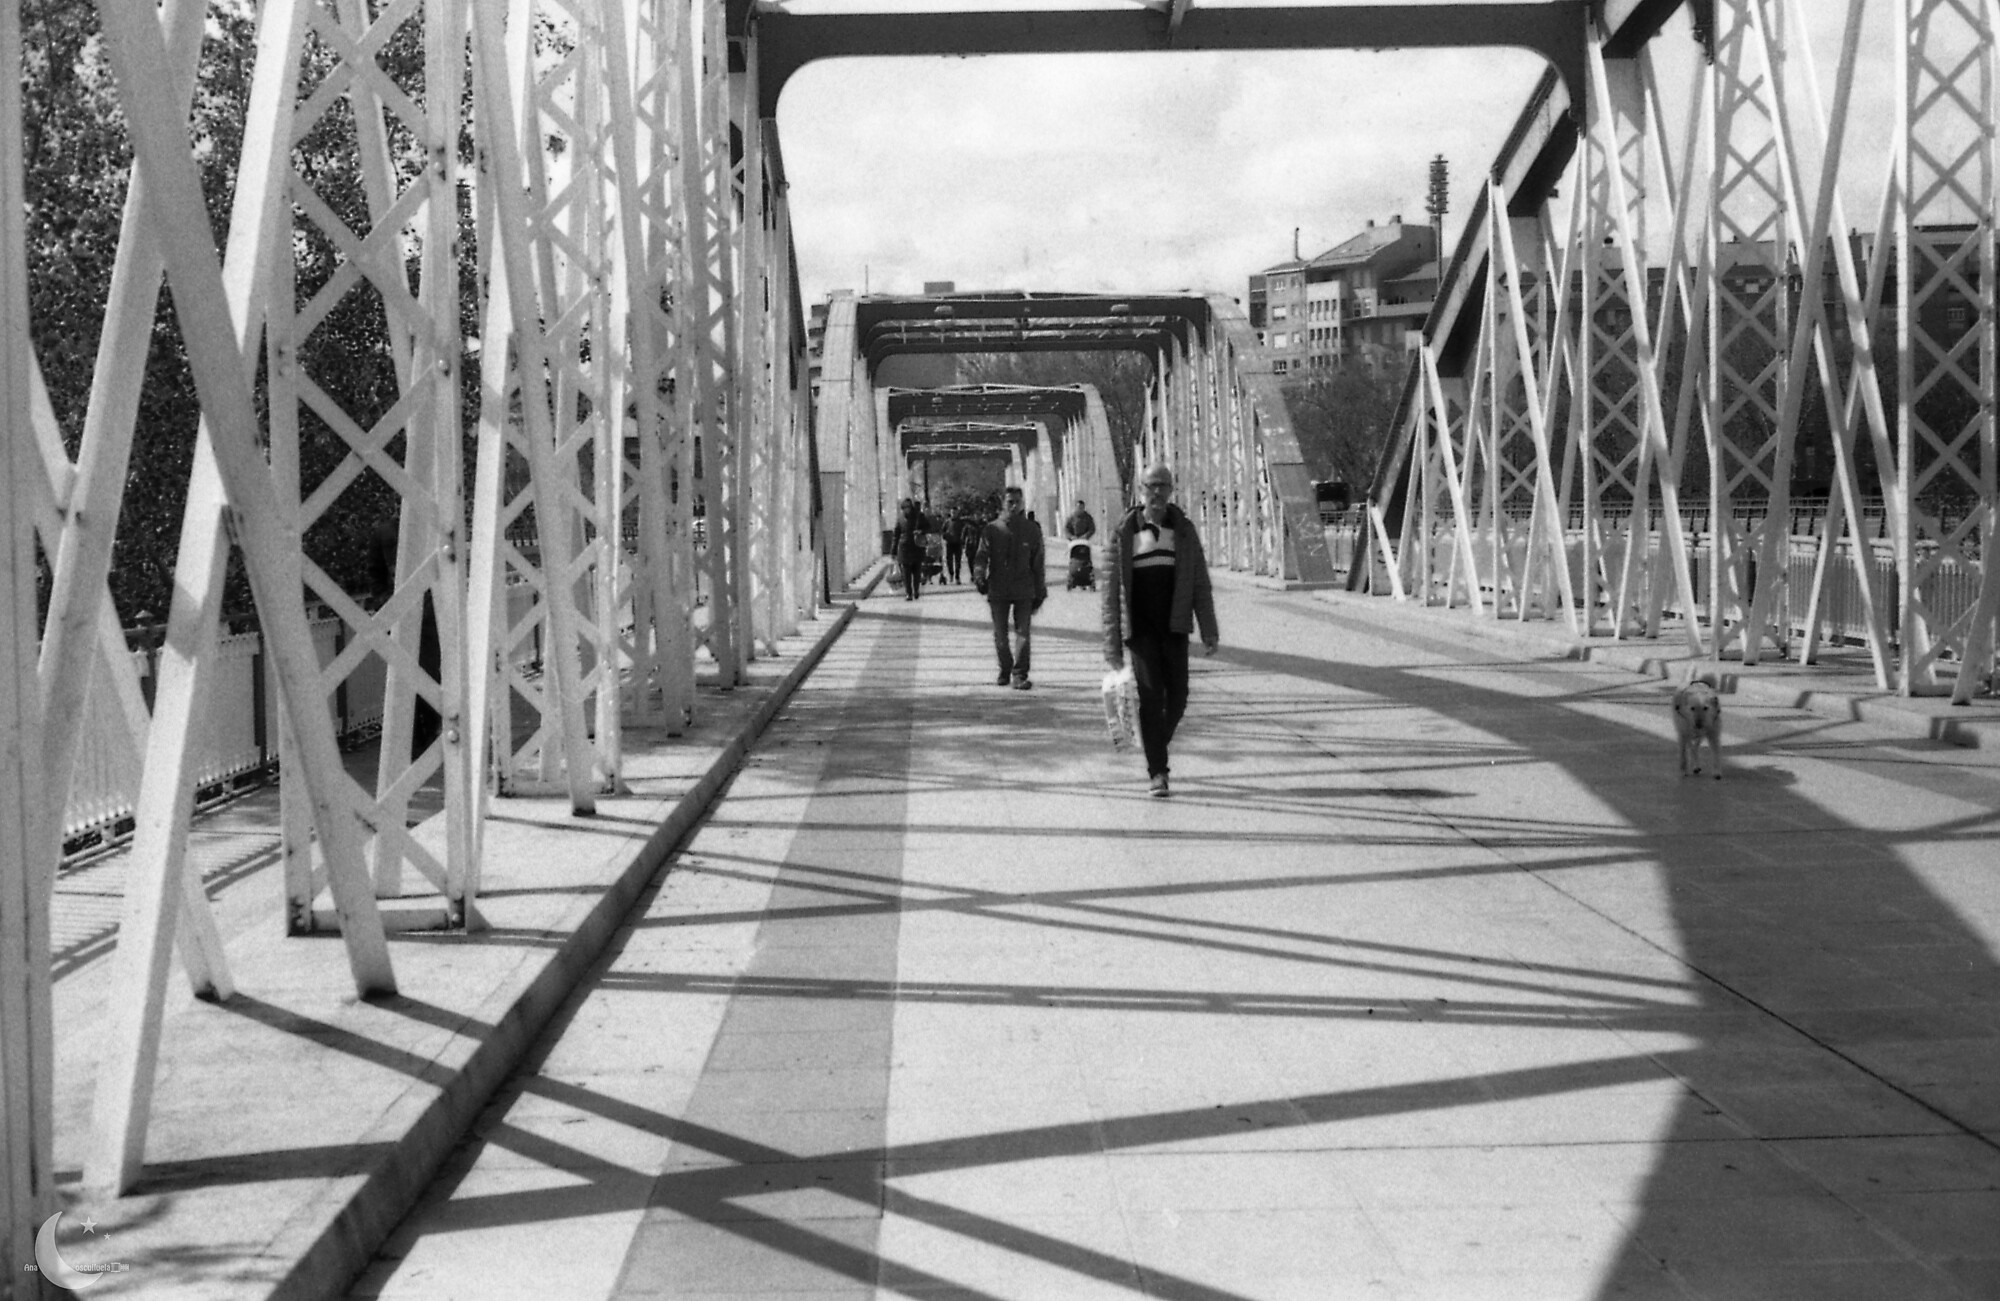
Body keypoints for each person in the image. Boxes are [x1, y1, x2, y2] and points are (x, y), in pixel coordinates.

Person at [1101, 463, 1219, 797]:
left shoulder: (1182, 530)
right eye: (1151, 486)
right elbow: (1110, 593)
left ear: (1170, 491)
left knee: (1179, 697)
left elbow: (1199, 583)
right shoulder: (1125, 532)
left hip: (1175, 626)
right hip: (1141, 631)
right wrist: (1111, 645)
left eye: (1162, 486)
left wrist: (1209, 629)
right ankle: (1158, 771)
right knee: (1152, 697)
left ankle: (1154, 744)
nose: (1156, 493)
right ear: (1140, 490)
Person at [974, 486, 1046, 689]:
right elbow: (981, 556)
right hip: (998, 589)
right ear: (1003, 504)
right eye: (1010, 502)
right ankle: (1005, 668)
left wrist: (1040, 591)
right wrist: (979, 576)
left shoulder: (1032, 530)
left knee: (1023, 632)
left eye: (1017, 502)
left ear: (1023, 503)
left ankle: (1019, 674)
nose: (1014, 506)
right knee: (1000, 635)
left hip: (1024, 589)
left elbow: (1038, 562)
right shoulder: (991, 529)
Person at [892, 498, 926, 601]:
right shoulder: (900, 519)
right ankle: (908, 593)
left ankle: (916, 590)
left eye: (908, 507)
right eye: (904, 508)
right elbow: (896, 535)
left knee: (916, 571)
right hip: (904, 548)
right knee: (905, 573)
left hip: (917, 547)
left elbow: (928, 527)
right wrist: (893, 551)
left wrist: (920, 531)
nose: (906, 510)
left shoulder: (919, 517)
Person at [943, 513, 967, 585]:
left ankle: (957, 577)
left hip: (958, 543)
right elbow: (943, 531)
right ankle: (951, 574)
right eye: (953, 512)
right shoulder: (947, 522)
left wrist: (963, 540)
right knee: (949, 560)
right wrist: (946, 536)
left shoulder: (960, 522)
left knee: (958, 561)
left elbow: (964, 531)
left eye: (955, 512)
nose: (954, 514)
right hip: (949, 543)